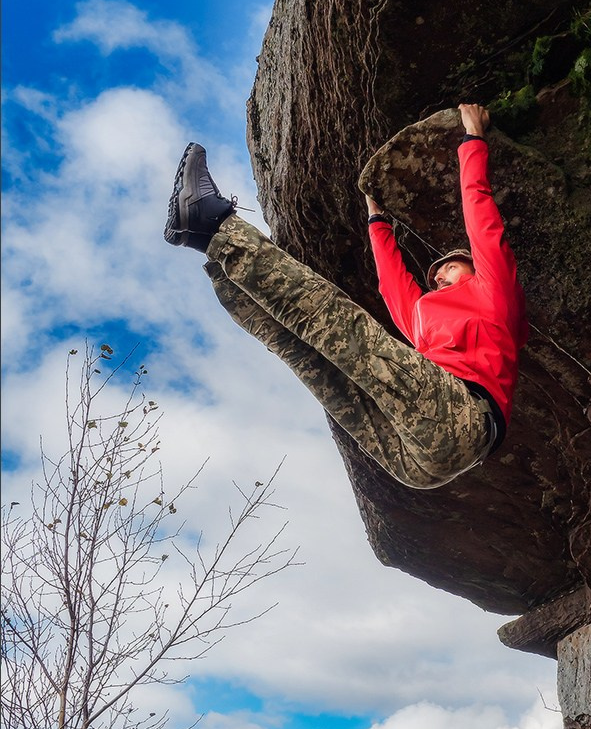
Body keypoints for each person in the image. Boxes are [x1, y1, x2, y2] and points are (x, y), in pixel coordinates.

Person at [163, 103, 527, 489]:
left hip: (461, 417)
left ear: (474, 268)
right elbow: (392, 285)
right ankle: (209, 246)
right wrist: (377, 220)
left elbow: (482, 224)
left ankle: (212, 221)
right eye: (437, 270)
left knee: (335, 321)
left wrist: (472, 141)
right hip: (425, 452)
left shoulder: (493, 293)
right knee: (310, 355)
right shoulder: (424, 318)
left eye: (450, 265)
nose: (437, 272)